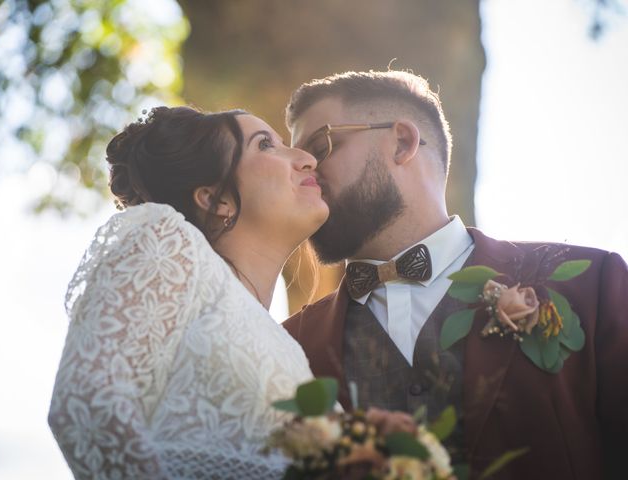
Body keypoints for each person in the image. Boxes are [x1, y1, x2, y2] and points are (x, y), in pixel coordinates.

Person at [283, 70, 628, 479]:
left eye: (320, 146)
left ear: (402, 142)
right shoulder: (288, 345)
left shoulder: (592, 285)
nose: (303, 168)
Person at [48, 106, 330, 479]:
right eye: (266, 144)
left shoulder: (288, 347)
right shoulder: (169, 239)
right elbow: (87, 403)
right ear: (217, 198)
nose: (307, 159)